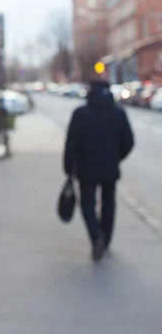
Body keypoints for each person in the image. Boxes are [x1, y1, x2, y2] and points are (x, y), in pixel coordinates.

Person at [64, 79, 134, 261]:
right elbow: (129, 142)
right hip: (110, 169)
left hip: (86, 169)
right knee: (109, 203)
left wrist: (69, 167)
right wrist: (116, 158)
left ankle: (96, 236)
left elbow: (71, 144)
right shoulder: (118, 113)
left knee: (87, 203)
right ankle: (106, 239)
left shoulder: (80, 114)